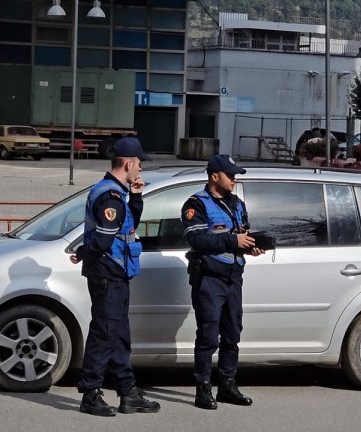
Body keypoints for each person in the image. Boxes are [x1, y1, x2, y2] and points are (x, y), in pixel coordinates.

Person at [72, 137, 160, 417]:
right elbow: (104, 239)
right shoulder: (110, 196)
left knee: (119, 334)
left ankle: (127, 392)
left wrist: (136, 197)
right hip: (107, 271)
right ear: (129, 163)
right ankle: (90, 394)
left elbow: (127, 225)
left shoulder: (118, 193)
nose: (141, 169)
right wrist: (84, 253)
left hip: (115, 271)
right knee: (105, 333)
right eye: (139, 163)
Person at [180, 154, 264, 410]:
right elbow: (197, 239)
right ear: (214, 176)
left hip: (233, 278)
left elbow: (241, 233)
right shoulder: (196, 204)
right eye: (230, 175)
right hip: (209, 278)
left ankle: (227, 385)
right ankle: (203, 389)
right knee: (208, 335)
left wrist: (250, 246)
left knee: (232, 333)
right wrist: (232, 241)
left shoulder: (237, 204)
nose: (234, 179)